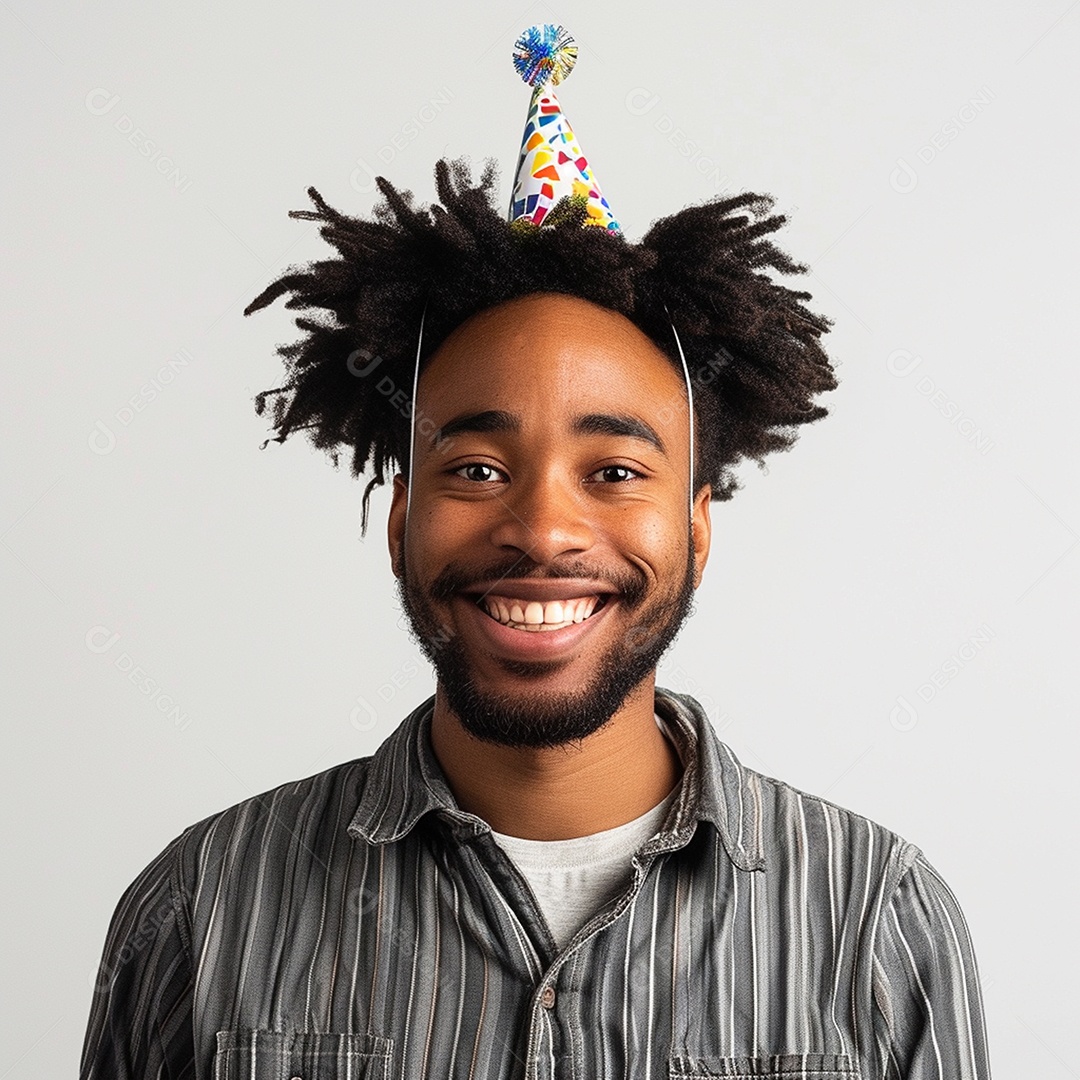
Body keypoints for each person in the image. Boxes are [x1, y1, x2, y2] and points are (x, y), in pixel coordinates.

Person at [81, 25, 991, 1080]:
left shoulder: (878, 926)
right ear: (400, 522)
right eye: (475, 469)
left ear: (696, 529)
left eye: (614, 471)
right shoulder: (200, 911)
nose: (543, 530)